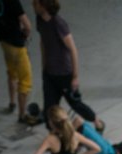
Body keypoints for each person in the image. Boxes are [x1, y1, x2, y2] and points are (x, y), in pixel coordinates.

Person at [33, 0, 105, 132]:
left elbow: (73, 49)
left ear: (44, 5)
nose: (33, 5)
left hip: (64, 74)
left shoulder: (58, 23)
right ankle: (55, 136)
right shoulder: (39, 20)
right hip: (49, 73)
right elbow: (43, 41)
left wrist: (75, 76)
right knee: (50, 108)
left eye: (36, 3)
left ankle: (98, 122)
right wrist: (44, 65)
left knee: (75, 104)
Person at [0, 0, 33, 122]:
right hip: (17, 46)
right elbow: (27, 25)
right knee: (25, 81)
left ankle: (12, 103)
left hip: (4, 42)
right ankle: (22, 115)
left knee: (12, 73)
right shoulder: (13, 2)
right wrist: (24, 35)